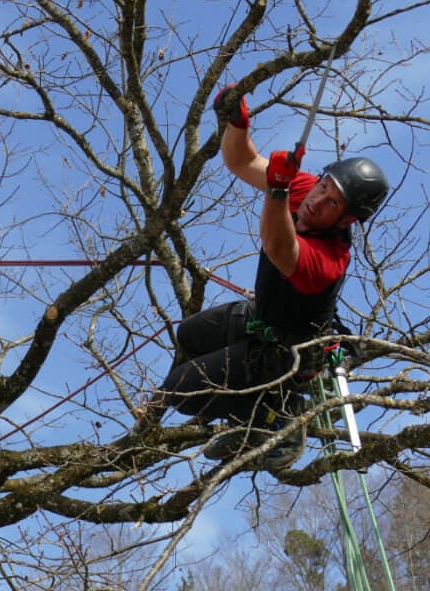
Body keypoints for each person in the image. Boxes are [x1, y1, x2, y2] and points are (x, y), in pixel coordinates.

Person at [139, 83, 389, 472]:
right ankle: (242, 403)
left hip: (286, 354)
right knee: (188, 335)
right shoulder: (306, 190)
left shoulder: (330, 258)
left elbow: (279, 247)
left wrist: (277, 189)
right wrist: (236, 123)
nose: (317, 202)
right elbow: (242, 162)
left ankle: (273, 419)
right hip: (264, 322)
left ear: (349, 219)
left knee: (179, 394)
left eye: (333, 203)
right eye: (324, 186)